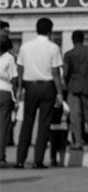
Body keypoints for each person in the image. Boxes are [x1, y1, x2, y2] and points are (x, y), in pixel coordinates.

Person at [15, 17, 66, 169]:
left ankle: (20, 160)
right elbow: (56, 71)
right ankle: (38, 160)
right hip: (47, 86)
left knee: (27, 123)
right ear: (50, 30)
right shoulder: (53, 48)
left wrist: (19, 88)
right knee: (44, 125)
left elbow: (20, 69)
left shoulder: (25, 46)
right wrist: (59, 92)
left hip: (30, 86)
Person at [61, 30, 88, 150]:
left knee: (75, 115)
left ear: (73, 40)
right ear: (83, 39)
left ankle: (78, 141)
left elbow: (66, 72)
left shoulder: (69, 54)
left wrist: (65, 83)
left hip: (74, 85)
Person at [0, 35, 17, 167]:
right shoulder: (9, 58)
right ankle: (1, 156)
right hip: (5, 92)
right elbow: (14, 77)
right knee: (3, 126)